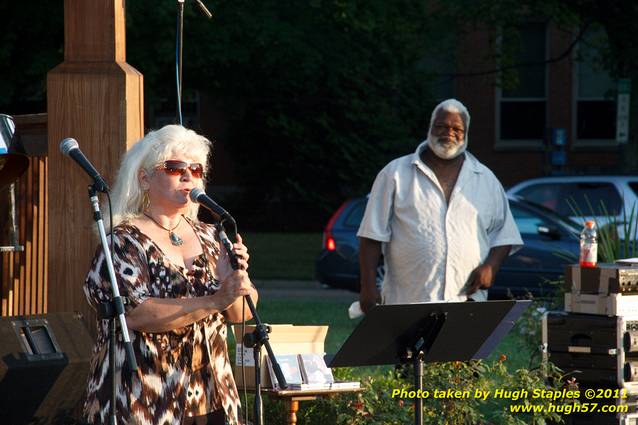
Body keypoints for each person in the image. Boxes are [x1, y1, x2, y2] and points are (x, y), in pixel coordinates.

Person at [82, 125, 256, 425]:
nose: (188, 175)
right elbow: (137, 314)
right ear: (145, 178)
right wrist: (216, 299)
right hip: (142, 399)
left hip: (210, 398)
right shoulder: (123, 240)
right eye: (175, 168)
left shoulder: (213, 236)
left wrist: (236, 283)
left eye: (196, 169)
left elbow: (241, 313)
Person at [357, 99, 522, 313]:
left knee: (462, 348)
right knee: (406, 348)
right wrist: (368, 288)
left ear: (466, 133)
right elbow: (371, 235)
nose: (448, 133)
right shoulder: (395, 173)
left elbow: (505, 233)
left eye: (456, 129)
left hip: (466, 302)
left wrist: (491, 266)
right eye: (441, 126)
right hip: (408, 300)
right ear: (430, 127)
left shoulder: (485, 179)